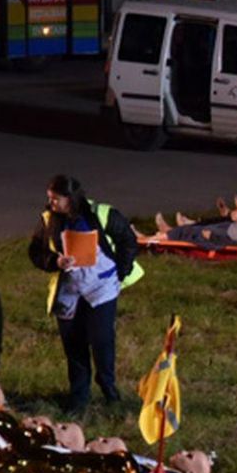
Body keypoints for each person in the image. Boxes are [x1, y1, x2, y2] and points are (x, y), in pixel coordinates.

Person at [28, 175, 143, 413]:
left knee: (102, 341)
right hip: (70, 290)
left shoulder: (102, 214)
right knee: (73, 344)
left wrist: (120, 273)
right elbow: (35, 251)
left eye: (55, 199)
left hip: (101, 288)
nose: (51, 204)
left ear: (70, 198)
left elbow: (128, 241)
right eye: (49, 199)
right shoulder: (48, 220)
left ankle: (109, 389)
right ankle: (79, 397)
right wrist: (55, 261)